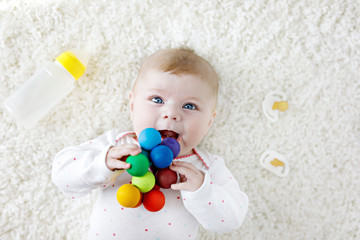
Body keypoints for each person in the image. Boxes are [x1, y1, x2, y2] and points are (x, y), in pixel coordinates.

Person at [52, 48, 249, 240]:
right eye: (157, 99)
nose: (171, 113)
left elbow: (233, 219)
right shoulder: (118, 145)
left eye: (189, 106)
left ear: (209, 121)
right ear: (132, 106)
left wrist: (202, 190)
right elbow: (62, 175)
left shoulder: (206, 168)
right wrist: (102, 163)